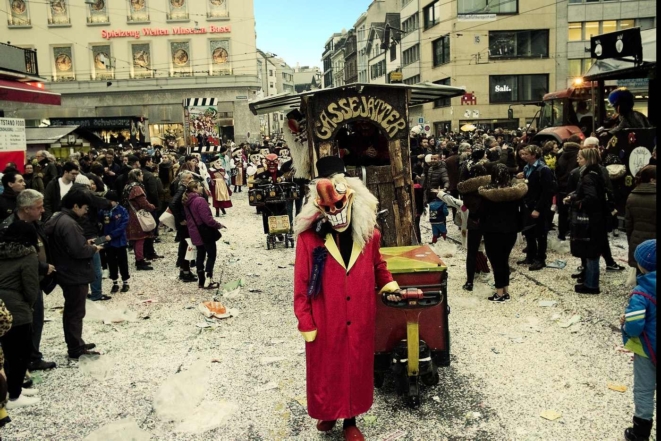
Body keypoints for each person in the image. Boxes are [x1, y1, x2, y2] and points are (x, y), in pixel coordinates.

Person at [292, 156, 407, 441]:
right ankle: (328, 412)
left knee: (355, 368)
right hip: (325, 317)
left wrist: (389, 285)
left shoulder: (369, 236)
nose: (335, 211)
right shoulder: (309, 240)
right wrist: (305, 320)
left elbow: (378, 265)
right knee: (327, 369)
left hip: (359, 315)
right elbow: (301, 283)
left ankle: (350, 421)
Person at [0, 190, 57, 372]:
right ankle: (23, 364)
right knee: (22, 325)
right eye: (39, 207)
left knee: (36, 321)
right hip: (19, 286)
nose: (42, 211)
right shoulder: (8, 227)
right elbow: (11, 257)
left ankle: (32, 355)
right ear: (26, 208)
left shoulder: (34, 223)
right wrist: (40, 267)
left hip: (35, 279)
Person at [43, 190, 102, 359]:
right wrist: (93, 248)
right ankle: (76, 347)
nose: (86, 211)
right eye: (84, 208)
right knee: (75, 311)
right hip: (74, 272)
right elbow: (78, 251)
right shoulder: (69, 223)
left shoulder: (58, 218)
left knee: (72, 310)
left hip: (66, 270)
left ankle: (76, 342)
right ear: (75, 206)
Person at [0, 221, 40, 409]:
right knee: (21, 352)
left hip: (1, 305)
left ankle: (10, 388)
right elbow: (31, 287)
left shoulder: (2, 251)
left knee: (6, 352)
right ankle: (14, 395)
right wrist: (29, 306)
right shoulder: (28, 254)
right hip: (17, 306)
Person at [620, 239, 656, 441]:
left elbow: (634, 327)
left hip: (647, 350)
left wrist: (626, 323)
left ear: (643, 265)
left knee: (644, 390)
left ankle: (640, 433)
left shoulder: (641, 293)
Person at [478, 164, 528, 302]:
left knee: (496, 261)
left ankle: (500, 292)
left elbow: (480, 213)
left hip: (492, 231)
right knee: (504, 260)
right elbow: (523, 212)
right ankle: (505, 288)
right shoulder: (515, 192)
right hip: (510, 230)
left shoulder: (486, 193)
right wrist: (519, 227)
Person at [565, 148, 609, 294]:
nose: (578, 159)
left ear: (588, 159)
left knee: (591, 253)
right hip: (597, 218)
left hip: (591, 219)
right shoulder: (596, 173)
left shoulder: (588, 176)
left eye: (581, 158)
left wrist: (575, 202)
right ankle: (589, 281)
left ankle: (591, 285)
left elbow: (591, 198)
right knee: (592, 252)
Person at [457, 149, 491, 291]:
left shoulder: (466, 190)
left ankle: (470, 281)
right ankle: (498, 282)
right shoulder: (489, 187)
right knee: (492, 251)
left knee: (471, 252)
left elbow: (467, 205)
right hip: (489, 221)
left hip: (474, 221)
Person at [517, 145, 554, 271]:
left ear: (534, 155)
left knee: (540, 233)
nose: (523, 156)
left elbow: (546, 192)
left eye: (526, 154)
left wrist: (538, 208)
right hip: (528, 204)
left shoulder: (544, 170)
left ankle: (540, 259)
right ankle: (530, 255)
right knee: (528, 232)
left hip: (539, 206)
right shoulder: (526, 167)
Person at [183, 180, 225, 289]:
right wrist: (218, 225)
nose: (202, 187)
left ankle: (201, 279)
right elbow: (207, 219)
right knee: (211, 255)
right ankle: (208, 279)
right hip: (204, 231)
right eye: (200, 186)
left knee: (200, 255)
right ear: (195, 189)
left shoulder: (187, 201)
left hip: (194, 231)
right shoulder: (199, 200)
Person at [626, 166, 656, 274]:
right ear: (652, 179)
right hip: (654, 245)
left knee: (640, 274)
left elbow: (628, 224)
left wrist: (631, 241)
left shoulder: (632, 196)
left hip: (637, 241)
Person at [123, 169, 156, 271]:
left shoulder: (127, 186)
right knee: (140, 239)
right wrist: (152, 207)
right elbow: (143, 203)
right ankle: (139, 261)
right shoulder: (137, 188)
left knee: (137, 239)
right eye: (141, 175)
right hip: (137, 216)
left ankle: (140, 259)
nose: (143, 176)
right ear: (137, 176)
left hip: (130, 213)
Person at [169, 171, 197, 282]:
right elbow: (173, 203)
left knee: (184, 245)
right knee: (186, 245)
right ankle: (185, 271)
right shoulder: (182, 189)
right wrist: (180, 219)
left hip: (183, 221)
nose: (192, 179)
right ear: (184, 180)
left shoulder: (182, 188)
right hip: (183, 223)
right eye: (190, 178)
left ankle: (184, 270)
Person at [100, 191, 130, 294]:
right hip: (108, 243)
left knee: (123, 262)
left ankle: (125, 282)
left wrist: (112, 235)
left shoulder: (122, 210)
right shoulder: (103, 211)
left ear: (114, 201)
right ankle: (115, 282)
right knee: (111, 262)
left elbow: (123, 226)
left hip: (120, 241)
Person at [555, 139, 581, 241]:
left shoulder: (561, 156)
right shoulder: (576, 158)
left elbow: (557, 171)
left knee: (562, 212)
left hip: (561, 187)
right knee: (573, 211)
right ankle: (572, 233)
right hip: (572, 188)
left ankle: (561, 233)